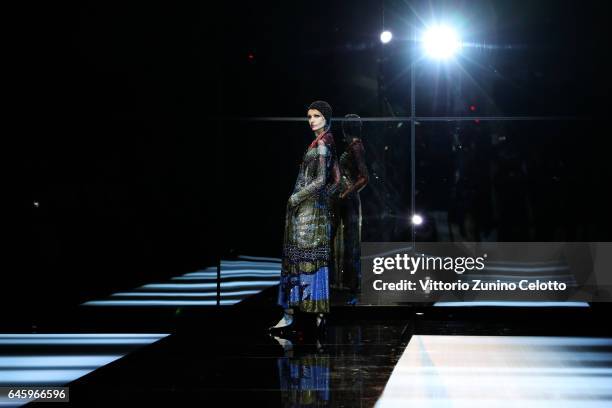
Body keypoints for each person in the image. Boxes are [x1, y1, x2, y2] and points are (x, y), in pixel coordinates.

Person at [270, 100, 339, 336]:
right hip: (311, 209)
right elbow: (336, 181)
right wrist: (322, 202)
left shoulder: (322, 145)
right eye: (309, 116)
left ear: (326, 118)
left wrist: (297, 198)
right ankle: (312, 315)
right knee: (304, 258)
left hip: (306, 211)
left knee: (302, 258)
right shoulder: (324, 141)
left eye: (316, 116)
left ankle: (293, 315)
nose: (312, 120)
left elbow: (321, 180)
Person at [332, 114, 369, 303]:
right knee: (346, 239)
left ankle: (353, 285)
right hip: (344, 200)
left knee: (351, 240)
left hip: (349, 199)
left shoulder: (356, 146)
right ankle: (346, 282)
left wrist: (346, 193)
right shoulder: (352, 145)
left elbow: (364, 177)